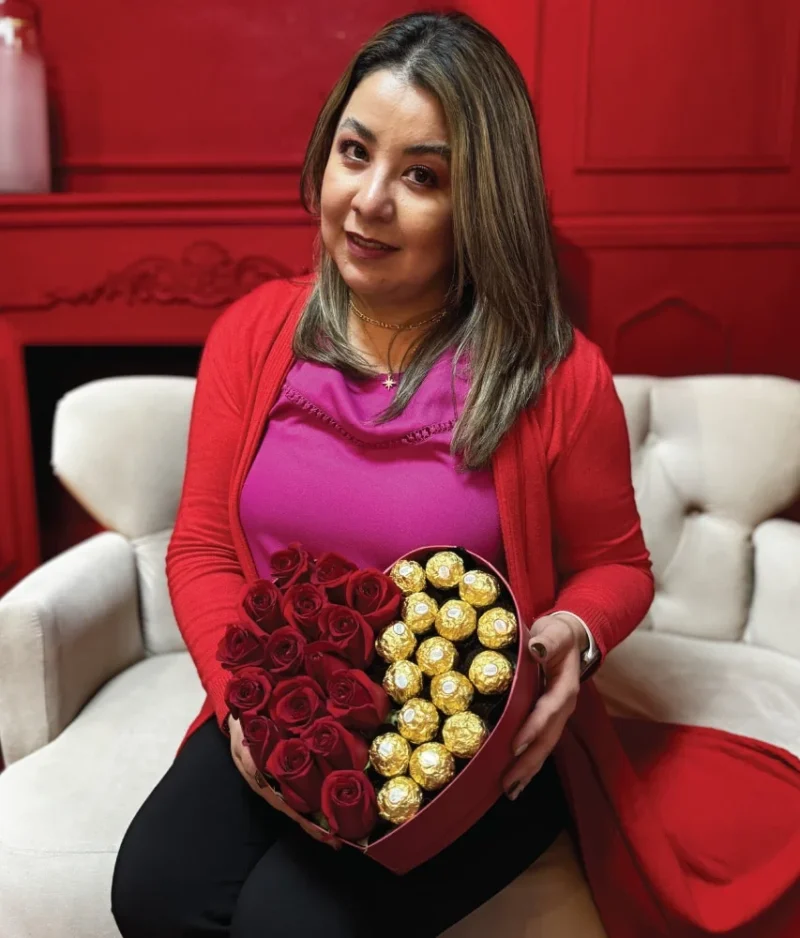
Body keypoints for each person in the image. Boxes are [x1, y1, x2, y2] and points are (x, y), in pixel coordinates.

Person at [111, 11, 654, 937]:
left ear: (483, 201)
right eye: (355, 153)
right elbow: (202, 546)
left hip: (467, 734)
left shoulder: (560, 375)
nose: (367, 201)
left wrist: (576, 631)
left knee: (293, 924)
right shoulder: (253, 334)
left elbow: (622, 567)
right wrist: (246, 706)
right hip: (290, 704)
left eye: (422, 176)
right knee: (152, 894)